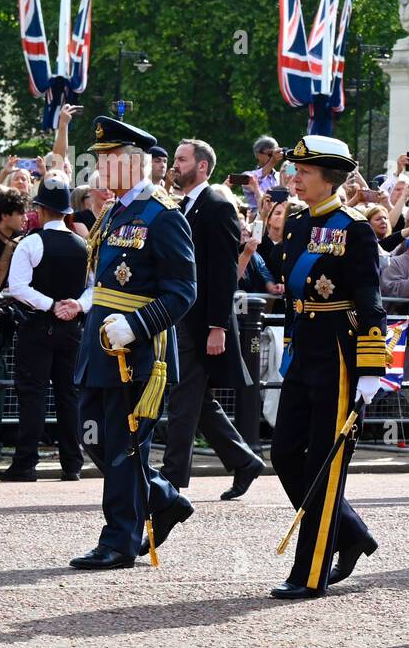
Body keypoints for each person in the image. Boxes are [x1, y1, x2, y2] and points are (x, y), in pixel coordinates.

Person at [68, 116, 197, 570]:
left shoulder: (163, 214)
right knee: (94, 437)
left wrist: (138, 325)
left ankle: (119, 539)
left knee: (123, 445)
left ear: (135, 163)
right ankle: (162, 497)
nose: (102, 166)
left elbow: (183, 292)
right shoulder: (114, 213)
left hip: (138, 353)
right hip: (100, 348)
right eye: (101, 158)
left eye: (111, 158)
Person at [269, 135, 388, 598]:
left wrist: (371, 366)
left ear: (328, 179)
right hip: (305, 353)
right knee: (283, 453)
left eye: (304, 173)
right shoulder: (297, 222)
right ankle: (351, 532)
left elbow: (369, 299)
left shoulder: (355, 227)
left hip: (340, 354)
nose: (295, 178)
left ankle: (311, 571)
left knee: (324, 463)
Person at [160, 139, 265, 502]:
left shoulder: (217, 205)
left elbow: (223, 272)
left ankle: (170, 480)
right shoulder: (188, 206)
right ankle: (244, 460)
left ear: (202, 167)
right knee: (197, 401)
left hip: (202, 322)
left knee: (182, 400)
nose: (175, 165)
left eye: (182, 159)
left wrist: (218, 326)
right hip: (186, 319)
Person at [0, 178, 87, 482]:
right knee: (69, 396)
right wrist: (74, 306)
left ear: (40, 208)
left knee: (33, 395)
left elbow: (18, 287)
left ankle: (25, 464)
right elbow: (94, 289)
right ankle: (72, 464)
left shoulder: (31, 243)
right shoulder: (82, 244)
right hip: (73, 328)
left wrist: (51, 304)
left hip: (38, 326)